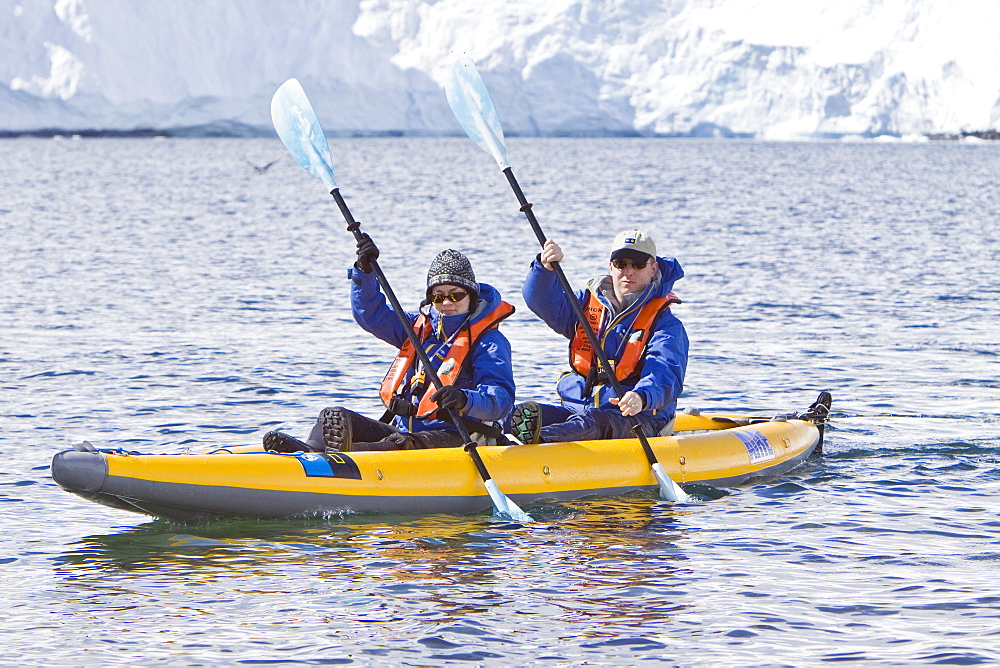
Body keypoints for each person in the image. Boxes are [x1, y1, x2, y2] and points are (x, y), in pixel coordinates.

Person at [263, 238, 516, 453]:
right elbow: (371, 315)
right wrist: (365, 272)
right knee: (336, 415)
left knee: (400, 442)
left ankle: (345, 458)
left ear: (470, 296)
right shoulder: (417, 328)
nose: (446, 302)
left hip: (460, 436)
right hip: (407, 429)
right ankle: (309, 451)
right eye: (438, 296)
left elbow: (501, 400)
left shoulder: (490, 342)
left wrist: (464, 399)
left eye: (456, 295)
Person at [510, 229, 688, 445]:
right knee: (521, 414)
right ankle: (498, 444)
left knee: (591, 423)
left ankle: (534, 447)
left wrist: (642, 396)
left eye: (638, 264)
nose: (628, 271)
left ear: (653, 268)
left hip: (637, 419)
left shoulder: (666, 325)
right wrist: (544, 268)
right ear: (611, 267)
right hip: (577, 410)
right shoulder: (586, 304)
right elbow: (542, 301)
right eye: (621, 263)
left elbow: (665, 373)